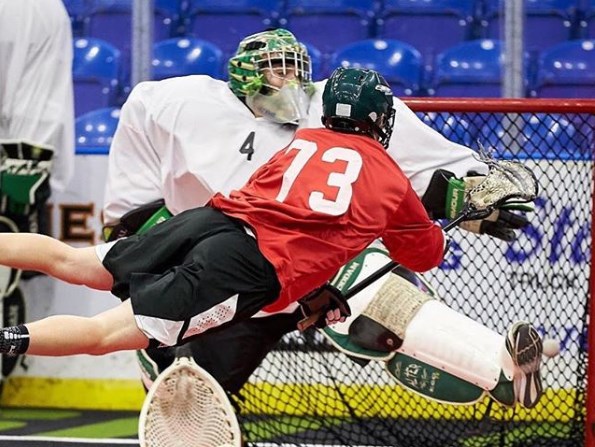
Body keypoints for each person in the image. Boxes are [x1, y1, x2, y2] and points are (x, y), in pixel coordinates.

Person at [101, 28, 535, 402]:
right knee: (191, 393)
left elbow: (432, 169)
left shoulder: (334, 108)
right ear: (244, 74)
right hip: (229, 268)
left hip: (321, 262)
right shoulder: (178, 100)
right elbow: (134, 186)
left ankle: (498, 365)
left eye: (295, 69)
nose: (291, 80)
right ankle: (173, 389)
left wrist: (473, 191)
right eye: (277, 68)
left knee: (381, 302)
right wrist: (146, 231)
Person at [0, 67, 447, 361]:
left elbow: (272, 200)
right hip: (246, 267)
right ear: (381, 116)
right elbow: (423, 255)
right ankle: (7, 339)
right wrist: (437, 215)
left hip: (211, 222)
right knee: (102, 336)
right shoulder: (391, 179)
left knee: (75, 262)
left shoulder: (304, 141)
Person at [0, 0, 75, 384]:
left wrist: (24, 165)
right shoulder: (44, 8)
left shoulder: (37, 8)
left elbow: (40, 98)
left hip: (17, 161)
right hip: (19, 158)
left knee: (8, 270)